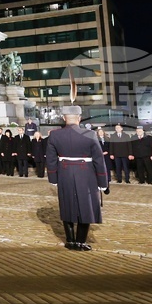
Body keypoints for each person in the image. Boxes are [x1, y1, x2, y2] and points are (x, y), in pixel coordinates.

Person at [46, 106, 108, 251]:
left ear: (63, 118)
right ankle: (80, 241)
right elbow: (99, 160)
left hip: (64, 173)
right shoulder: (90, 134)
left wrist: (53, 178)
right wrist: (103, 183)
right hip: (85, 173)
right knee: (85, 207)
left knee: (67, 205)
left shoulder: (55, 135)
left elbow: (51, 160)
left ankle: (70, 241)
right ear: (79, 118)